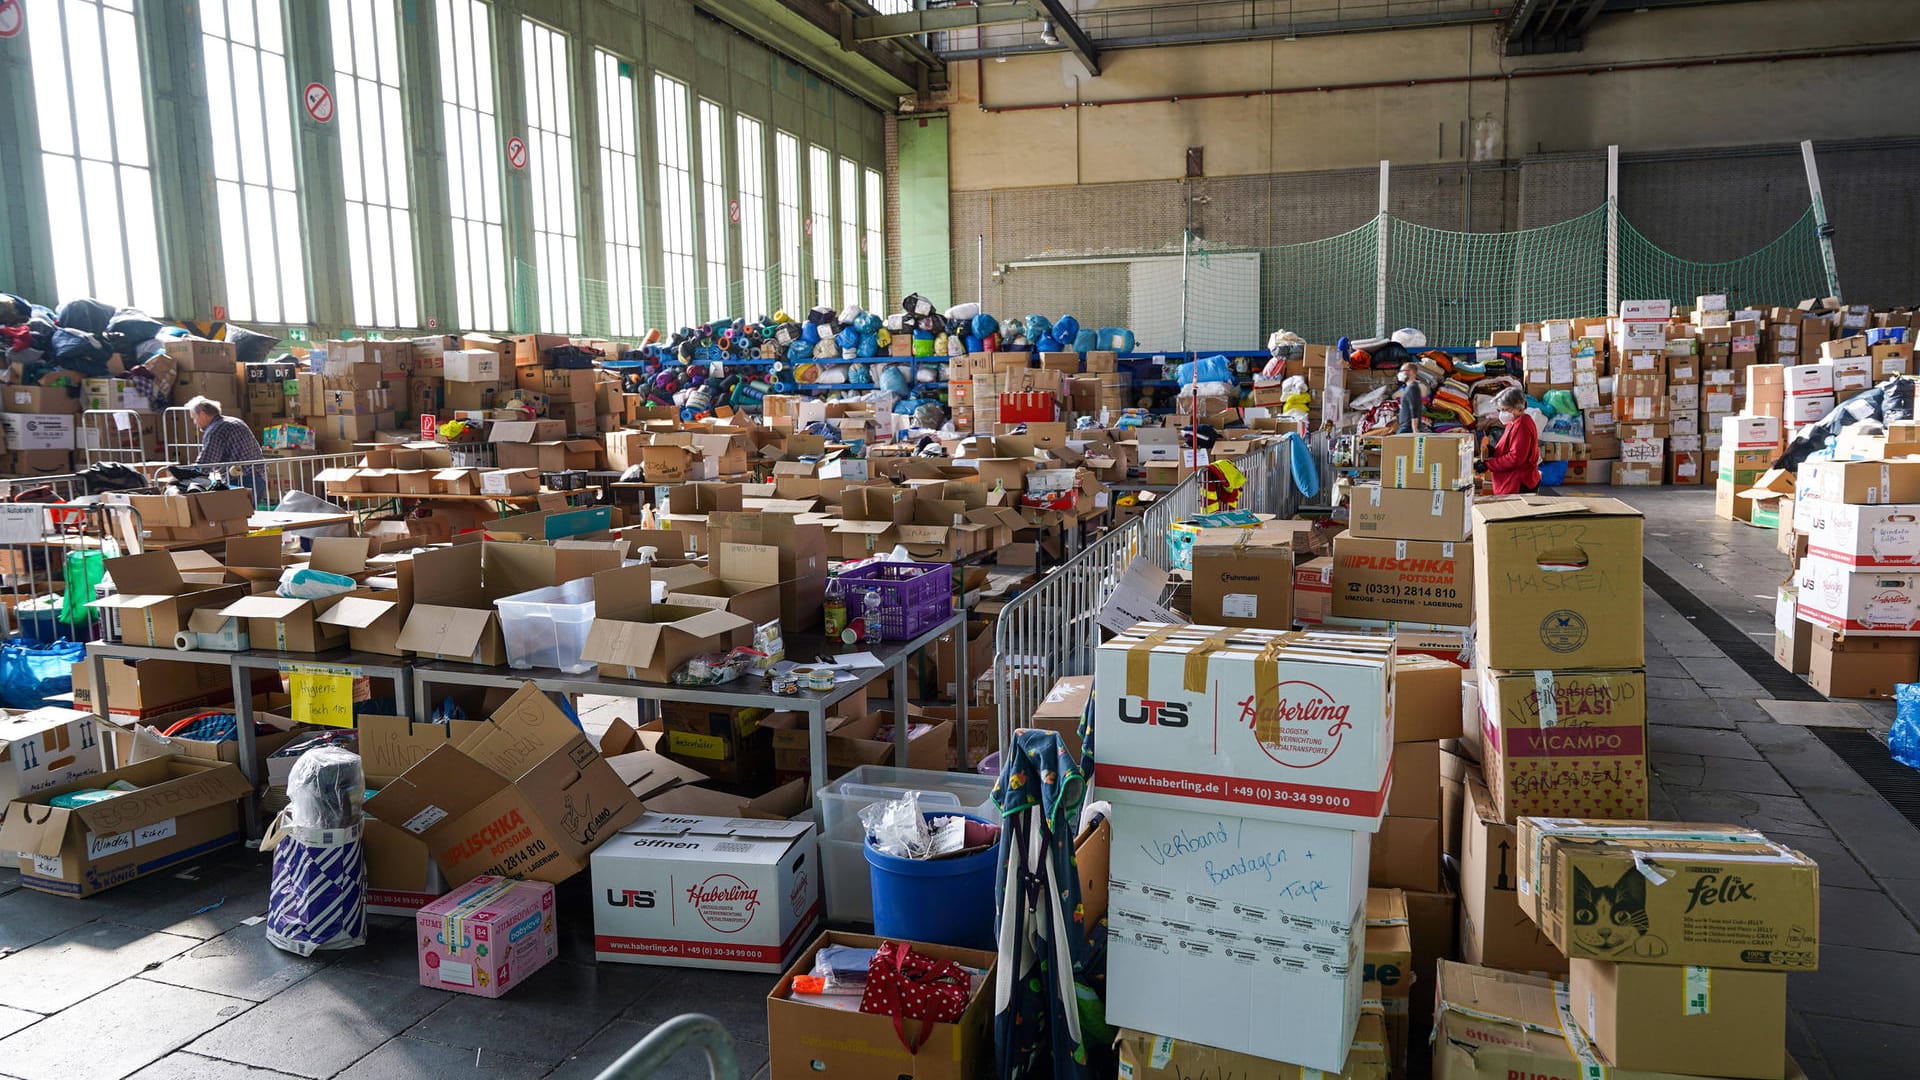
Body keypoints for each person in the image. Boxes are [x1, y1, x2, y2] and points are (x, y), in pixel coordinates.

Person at [187, 396, 266, 502]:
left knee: (236, 516)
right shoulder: (236, 421)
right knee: (247, 514)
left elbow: (206, 463)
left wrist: (186, 478)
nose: (195, 423)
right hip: (258, 475)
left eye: (194, 418)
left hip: (240, 479)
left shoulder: (215, 430)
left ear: (202, 414)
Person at [1477, 387, 1542, 495]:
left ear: (1519, 408)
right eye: (1500, 410)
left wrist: (1488, 465)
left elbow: (1515, 458)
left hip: (1519, 482)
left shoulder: (1522, 425)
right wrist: (1492, 451)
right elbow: (1509, 447)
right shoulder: (1514, 422)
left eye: (1504, 410)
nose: (1501, 414)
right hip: (1513, 478)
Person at [1395, 363, 1425, 434]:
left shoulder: (1412, 388)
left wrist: (1415, 429)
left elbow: (1414, 408)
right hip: (1405, 426)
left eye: (1402, 371)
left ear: (1411, 372)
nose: (1400, 373)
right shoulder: (1409, 387)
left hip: (1408, 428)